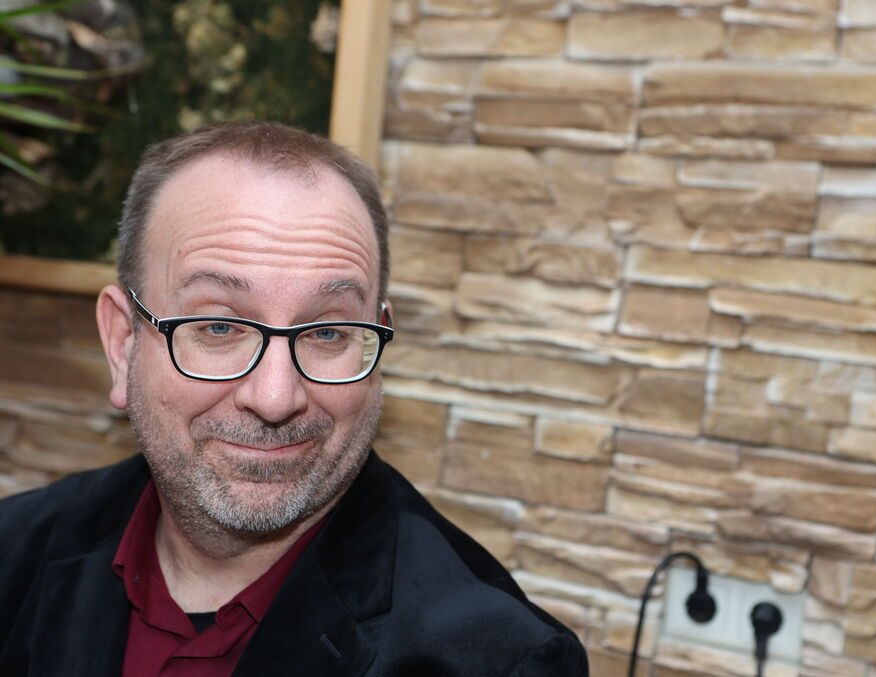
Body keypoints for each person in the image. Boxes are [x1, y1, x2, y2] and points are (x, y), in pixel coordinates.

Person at [0, 122, 588, 676]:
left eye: (328, 332)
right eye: (219, 327)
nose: (276, 398)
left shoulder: (497, 660)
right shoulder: (13, 550)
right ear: (122, 342)